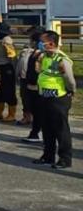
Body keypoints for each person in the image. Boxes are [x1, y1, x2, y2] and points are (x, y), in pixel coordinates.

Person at [33, 30, 75, 169]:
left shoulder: (61, 59)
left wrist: (71, 91)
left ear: (51, 43)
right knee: (47, 128)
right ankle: (48, 156)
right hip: (44, 96)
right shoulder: (44, 56)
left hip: (59, 98)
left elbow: (69, 79)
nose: (40, 44)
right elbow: (40, 72)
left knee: (61, 130)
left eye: (42, 42)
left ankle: (65, 159)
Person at [19, 27, 45, 143]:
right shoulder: (34, 53)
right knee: (35, 110)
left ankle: (38, 133)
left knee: (39, 112)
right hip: (31, 85)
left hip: (38, 86)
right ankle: (35, 132)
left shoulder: (42, 55)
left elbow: (38, 71)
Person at [0, 22, 18, 122]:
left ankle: (11, 114)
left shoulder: (7, 41)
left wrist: (13, 70)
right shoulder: (2, 40)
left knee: (9, 92)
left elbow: (12, 56)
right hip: (1, 67)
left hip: (7, 69)